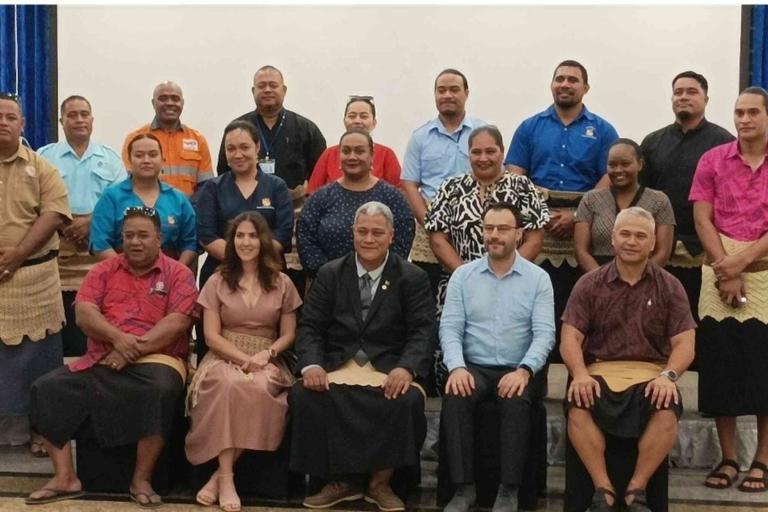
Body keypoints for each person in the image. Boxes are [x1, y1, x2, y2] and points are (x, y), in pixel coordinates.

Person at [25, 207, 198, 507]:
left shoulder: (178, 274)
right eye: (128, 235)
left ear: (159, 238)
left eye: (143, 235)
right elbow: (84, 313)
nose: (135, 242)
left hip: (158, 359)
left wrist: (132, 351)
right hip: (103, 356)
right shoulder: (103, 271)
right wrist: (118, 340)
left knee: (160, 390)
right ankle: (65, 476)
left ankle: (141, 479)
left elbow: (178, 323)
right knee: (47, 387)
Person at [289, 201, 434, 512]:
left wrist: (407, 369)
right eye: (363, 232)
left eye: (377, 233)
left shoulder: (412, 277)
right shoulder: (330, 273)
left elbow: (422, 331)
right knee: (305, 394)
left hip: (389, 365)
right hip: (338, 362)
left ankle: (380, 484)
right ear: (352, 233)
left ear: (391, 236)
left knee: (405, 400)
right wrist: (311, 364)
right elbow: (310, 326)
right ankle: (340, 481)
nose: (369, 239)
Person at [560, 207, 695, 511]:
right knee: (578, 405)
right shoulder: (589, 284)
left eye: (640, 236)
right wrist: (580, 374)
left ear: (652, 243)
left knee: (667, 407)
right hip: (600, 371)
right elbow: (570, 338)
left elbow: (685, 342)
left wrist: (668, 376)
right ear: (612, 238)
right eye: (625, 234)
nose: (631, 241)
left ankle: (637, 489)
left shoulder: (670, 285)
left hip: (651, 374)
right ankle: (602, 490)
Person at [439, 203, 555, 512]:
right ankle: (464, 488)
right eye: (489, 228)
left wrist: (525, 371)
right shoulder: (463, 276)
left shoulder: (538, 279)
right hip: (474, 367)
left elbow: (544, 334)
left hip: (518, 367)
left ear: (518, 234)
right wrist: (457, 367)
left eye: (502, 229)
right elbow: (450, 327)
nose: (494, 235)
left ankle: (509, 489)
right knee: (455, 394)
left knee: (516, 400)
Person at [186, 211, 302, 512]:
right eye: (239, 236)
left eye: (252, 235)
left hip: (267, 356)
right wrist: (242, 359)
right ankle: (226, 477)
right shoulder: (216, 281)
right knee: (228, 383)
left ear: (262, 240)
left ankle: (218, 477)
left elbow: (289, 334)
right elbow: (210, 336)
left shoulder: (283, 283)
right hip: (223, 354)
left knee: (258, 387)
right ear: (231, 240)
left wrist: (267, 355)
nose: (246, 242)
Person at [505, 60, 619, 356]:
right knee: (536, 305)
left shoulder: (604, 130)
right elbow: (515, 174)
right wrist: (542, 215)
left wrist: (578, 216)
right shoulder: (530, 127)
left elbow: (611, 176)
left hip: (587, 224)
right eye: (560, 79)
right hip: (537, 224)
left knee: (583, 306)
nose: (565, 84)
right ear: (552, 84)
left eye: (572, 80)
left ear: (586, 87)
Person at [691, 86, 768, 492]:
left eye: (753, 112)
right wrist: (726, 267)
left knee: (763, 364)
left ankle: (762, 460)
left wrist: (741, 263)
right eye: (739, 112)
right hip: (718, 270)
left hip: (764, 274)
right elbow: (702, 217)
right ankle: (729, 457)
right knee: (722, 365)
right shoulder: (713, 159)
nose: (744, 120)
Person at [0, 93, 71, 453]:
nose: (3, 122)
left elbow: (54, 213)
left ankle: (43, 430)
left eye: (11, 117)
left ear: (22, 124)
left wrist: (18, 254)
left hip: (34, 280)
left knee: (38, 363)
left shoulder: (42, 167)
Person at [217, 65, 325, 294]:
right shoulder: (237, 129)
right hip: (244, 215)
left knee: (291, 283)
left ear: (284, 90)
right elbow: (223, 172)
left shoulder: (306, 129)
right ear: (252, 90)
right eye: (261, 86)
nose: (267, 90)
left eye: (273, 85)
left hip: (295, 218)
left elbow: (321, 178)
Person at [641, 71, 734, 321]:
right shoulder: (652, 143)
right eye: (678, 92)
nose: (683, 97)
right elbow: (640, 198)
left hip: (708, 251)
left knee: (702, 320)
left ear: (706, 99)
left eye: (691, 92)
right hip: (661, 251)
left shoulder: (724, 144)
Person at [38, 95, 127, 358]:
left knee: (94, 308)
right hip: (56, 243)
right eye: (72, 115)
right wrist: (65, 224)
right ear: (61, 121)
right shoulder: (44, 156)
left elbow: (119, 200)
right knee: (59, 313)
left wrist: (90, 223)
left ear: (92, 120)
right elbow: (37, 198)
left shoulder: (110, 158)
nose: (79, 120)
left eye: (84, 114)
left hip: (97, 245)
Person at [425, 125, 549, 307]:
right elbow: (437, 240)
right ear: (468, 154)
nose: (483, 158)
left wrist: (505, 275)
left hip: (514, 285)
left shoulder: (522, 187)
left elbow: (534, 240)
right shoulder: (450, 188)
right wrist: (468, 278)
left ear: (502, 152)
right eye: (476, 152)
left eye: (490, 151)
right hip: (462, 287)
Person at [401, 69, 486, 296]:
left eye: (454, 89)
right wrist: (430, 222)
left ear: (467, 93)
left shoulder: (484, 133)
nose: (447, 95)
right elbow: (409, 183)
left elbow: (496, 175)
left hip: (475, 228)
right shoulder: (420, 136)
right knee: (426, 296)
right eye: (441, 90)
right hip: (429, 228)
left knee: (475, 290)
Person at [298, 129, 414, 278]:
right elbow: (306, 241)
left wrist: (374, 276)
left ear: (372, 155)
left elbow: (403, 240)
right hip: (329, 286)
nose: (352, 156)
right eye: (346, 151)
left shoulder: (392, 197)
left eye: (359, 151)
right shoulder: (320, 198)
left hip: (382, 286)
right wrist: (332, 277)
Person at [91, 133, 198, 267]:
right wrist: (126, 273)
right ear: (129, 160)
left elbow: (190, 243)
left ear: (163, 160)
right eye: (139, 155)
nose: (146, 160)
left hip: (168, 277)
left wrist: (175, 273)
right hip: (121, 273)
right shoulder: (111, 197)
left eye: (153, 155)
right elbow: (100, 243)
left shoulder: (178, 199)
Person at [574, 138, 675, 272]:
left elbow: (663, 253)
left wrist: (636, 280)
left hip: (645, 281)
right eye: (612, 165)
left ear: (640, 164)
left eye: (625, 164)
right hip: (597, 280)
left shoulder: (659, 200)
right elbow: (581, 251)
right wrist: (602, 281)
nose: (618, 170)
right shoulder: (591, 199)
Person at [122, 81, 214, 197]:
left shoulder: (198, 140)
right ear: (153, 103)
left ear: (182, 103)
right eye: (163, 98)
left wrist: (190, 208)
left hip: (189, 211)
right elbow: (129, 182)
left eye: (175, 99)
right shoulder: (135, 139)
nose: (170, 103)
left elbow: (206, 186)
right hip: (147, 212)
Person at [308, 95, 400, 194]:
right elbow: (313, 193)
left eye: (364, 116)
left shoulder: (386, 154)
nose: (357, 121)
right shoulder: (329, 154)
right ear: (344, 121)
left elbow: (399, 193)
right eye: (352, 116)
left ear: (374, 123)